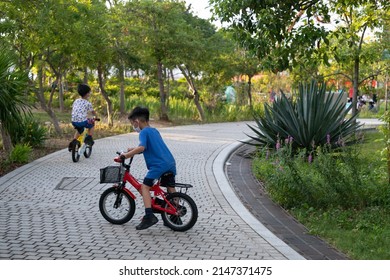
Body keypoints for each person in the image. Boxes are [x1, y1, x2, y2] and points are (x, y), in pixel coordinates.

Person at [120, 106, 177, 230]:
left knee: (145, 187)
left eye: (132, 124)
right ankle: (174, 215)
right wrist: (133, 150)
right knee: (170, 187)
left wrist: (126, 155)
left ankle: (149, 215)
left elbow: (142, 147)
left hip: (158, 165)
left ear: (137, 122)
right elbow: (148, 147)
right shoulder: (154, 130)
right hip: (170, 162)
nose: (133, 127)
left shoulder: (143, 132)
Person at [68, 83, 97, 151]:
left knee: (79, 129)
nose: (90, 93)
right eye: (89, 92)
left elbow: (77, 110)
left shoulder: (76, 101)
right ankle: (89, 138)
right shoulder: (88, 103)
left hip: (74, 121)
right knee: (92, 123)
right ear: (87, 94)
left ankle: (74, 142)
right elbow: (93, 112)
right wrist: (96, 117)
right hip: (82, 121)